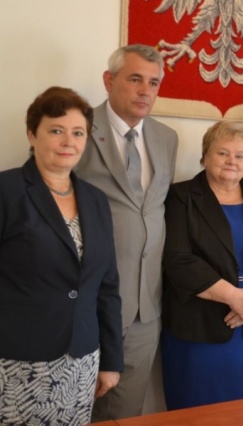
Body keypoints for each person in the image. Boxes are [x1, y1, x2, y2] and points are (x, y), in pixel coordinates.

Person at [0, 87, 123, 425]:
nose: (69, 141)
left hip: (81, 362)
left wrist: (111, 360)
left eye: (78, 133)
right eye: (56, 130)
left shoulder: (96, 200)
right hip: (15, 361)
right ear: (32, 134)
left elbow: (108, 287)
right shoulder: (7, 191)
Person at [75, 44, 179, 420]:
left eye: (153, 82)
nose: (145, 91)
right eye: (135, 79)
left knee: (124, 415)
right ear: (109, 80)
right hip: (85, 304)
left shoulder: (167, 138)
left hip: (143, 309)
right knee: (73, 409)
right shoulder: (78, 129)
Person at [161, 122, 243, 408]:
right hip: (199, 323)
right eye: (222, 153)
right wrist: (234, 297)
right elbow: (178, 259)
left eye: (239, 155)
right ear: (205, 156)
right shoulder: (181, 196)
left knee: (242, 410)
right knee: (194, 411)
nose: (232, 161)